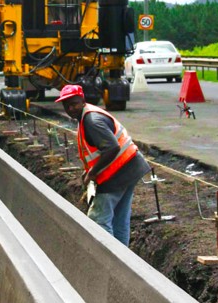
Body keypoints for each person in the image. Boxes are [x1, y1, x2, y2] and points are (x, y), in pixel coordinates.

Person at [55, 84, 151, 246]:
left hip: (116, 174)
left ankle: (109, 261)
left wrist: (93, 171)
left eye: (74, 103)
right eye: (67, 105)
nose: (70, 108)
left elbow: (112, 147)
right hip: (130, 168)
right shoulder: (87, 115)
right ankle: (124, 262)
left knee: (98, 220)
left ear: (83, 101)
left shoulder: (92, 121)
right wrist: (89, 172)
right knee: (119, 220)